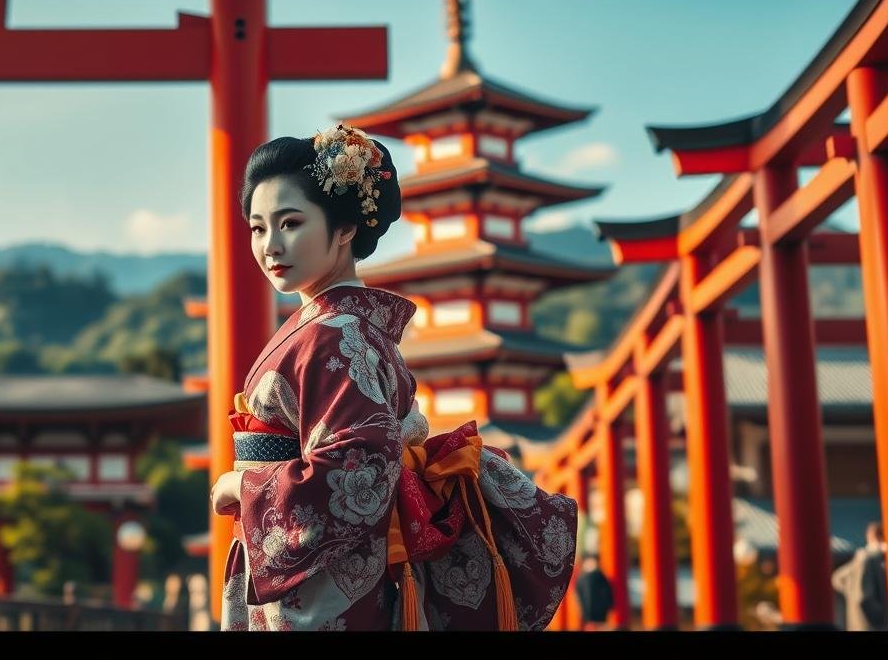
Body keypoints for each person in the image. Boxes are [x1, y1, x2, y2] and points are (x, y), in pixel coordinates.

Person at [210, 125, 578, 631]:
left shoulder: (330, 336)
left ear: (343, 229)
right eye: (257, 227)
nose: (271, 245)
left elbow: (358, 471)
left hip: (323, 589)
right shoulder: (345, 329)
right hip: (341, 572)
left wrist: (243, 484)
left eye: (290, 222)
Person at [831, 521, 888, 631]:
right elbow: (865, 597)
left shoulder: (862, 557)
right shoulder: (873, 558)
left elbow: (837, 579)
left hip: (857, 621)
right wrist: (883, 616)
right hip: (873, 623)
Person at [574, 554, 613, 630]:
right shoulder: (583, 578)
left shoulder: (599, 576)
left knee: (597, 626)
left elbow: (606, 592)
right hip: (590, 610)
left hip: (597, 610)